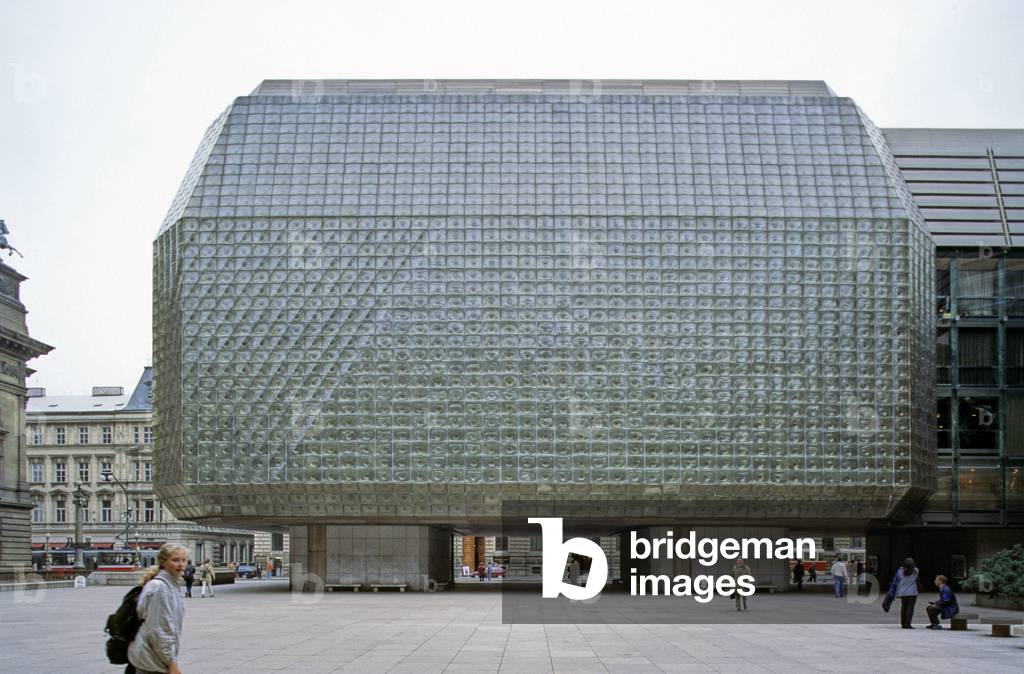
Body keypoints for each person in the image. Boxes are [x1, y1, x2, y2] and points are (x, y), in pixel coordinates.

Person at [127, 543, 186, 674]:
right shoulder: (160, 588)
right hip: (151, 660)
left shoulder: (171, 585)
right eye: (175, 560)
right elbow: (158, 629)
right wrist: (171, 663)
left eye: (183, 560)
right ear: (163, 562)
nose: (181, 564)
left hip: (153, 658)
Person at [889, 557, 920, 629]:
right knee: (910, 608)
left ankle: (903, 624)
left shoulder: (900, 570)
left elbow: (896, 580)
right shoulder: (915, 570)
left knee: (903, 607)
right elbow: (916, 579)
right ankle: (908, 624)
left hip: (902, 592)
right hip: (912, 592)